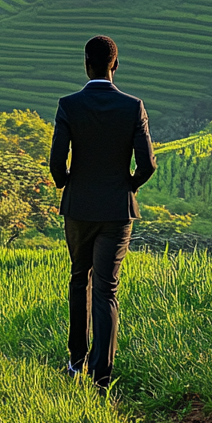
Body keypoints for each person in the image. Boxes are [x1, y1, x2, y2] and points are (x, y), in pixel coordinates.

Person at [49, 35, 155, 392]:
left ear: (86, 64)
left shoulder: (69, 105)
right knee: (107, 290)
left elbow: (56, 163)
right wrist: (128, 186)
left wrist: (68, 183)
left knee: (80, 280)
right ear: (115, 64)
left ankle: (75, 362)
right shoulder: (133, 106)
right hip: (116, 210)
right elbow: (148, 164)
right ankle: (101, 375)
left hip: (78, 208)